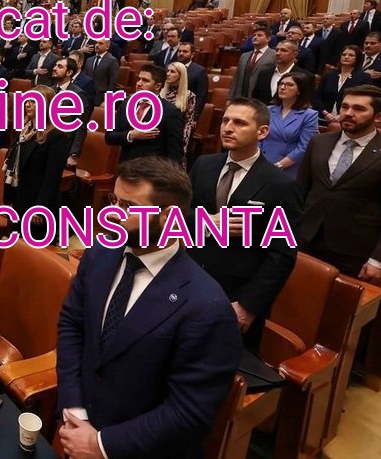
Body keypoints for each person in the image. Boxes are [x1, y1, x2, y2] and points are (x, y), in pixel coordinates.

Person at [56, 157, 242, 459]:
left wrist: (101, 445)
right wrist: (75, 410)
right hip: (77, 430)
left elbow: (188, 412)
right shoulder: (101, 252)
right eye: (114, 200)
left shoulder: (207, 308)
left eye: (128, 206)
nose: (113, 214)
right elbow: (72, 324)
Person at [189, 99, 301, 349]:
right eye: (225, 121)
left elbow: (281, 255)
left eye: (240, 123)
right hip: (191, 279)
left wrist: (248, 305)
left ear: (262, 132)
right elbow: (178, 214)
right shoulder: (204, 165)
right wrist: (206, 222)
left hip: (235, 293)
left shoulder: (280, 184)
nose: (228, 128)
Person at [297, 86, 381, 280]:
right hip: (305, 237)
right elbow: (300, 191)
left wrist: (380, 260)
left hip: (353, 250)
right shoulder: (319, 142)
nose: (348, 113)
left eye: (359, 109)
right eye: (345, 107)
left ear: (379, 116)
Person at [3, 85, 73, 243]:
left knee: (33, 246)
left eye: (33, 102)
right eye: (27, 101)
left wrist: (40, 208)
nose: (28, 104)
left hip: (37, 201)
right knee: (18, 243)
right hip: (20, 196)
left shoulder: (57, 136)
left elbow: (52, 178)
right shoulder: (25, 130)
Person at [106, 64, 183, 164]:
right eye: (138, 79)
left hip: (151, 169)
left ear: (158, 86)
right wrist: (132, 135)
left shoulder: (170, 111)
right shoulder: (126, 105)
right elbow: (109, 137)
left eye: (145, 81)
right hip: (125, 165)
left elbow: (175, 151)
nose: (139, 84)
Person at [260, 72, 318, 177]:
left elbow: (304, 147)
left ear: (299, 90)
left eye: (289, 85)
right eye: (281, 84)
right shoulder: (268, 110)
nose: (282, 87)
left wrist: (278, 166)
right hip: (261, 162)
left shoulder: (309, 115)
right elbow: (257, 137)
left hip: (287, 167)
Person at [314, 46, 369, 126]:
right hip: (323, 118)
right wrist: (325, 113)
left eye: (351, 55)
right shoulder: (329, 76)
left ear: (357, 58)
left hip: (348, 119)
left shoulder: (363, 77)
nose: (346, 57)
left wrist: (341, 115)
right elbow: (316, 96)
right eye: (344, 54)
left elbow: (364, 99)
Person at [160, 61, 196, 167]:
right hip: (159, 136)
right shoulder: (161, 93)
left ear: (181, 75)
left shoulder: (189, 96)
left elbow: (188, 123)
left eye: (172, 72)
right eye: (167, 71)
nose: (168, 74)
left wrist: (183, 145)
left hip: (176, 138)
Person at [229, 26, 274, 99]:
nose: (255, 37)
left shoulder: (274, 55)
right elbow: (236, 79)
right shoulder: (244, 56)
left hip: (260, 99)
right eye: (254, 35)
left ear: (268, 39)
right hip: (241, 97)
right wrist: (230, 98)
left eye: (259, 35)